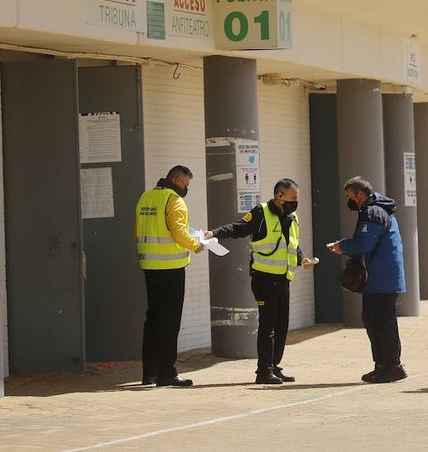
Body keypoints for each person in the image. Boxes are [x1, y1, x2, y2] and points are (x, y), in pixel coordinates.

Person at [204, 178, 315, 385]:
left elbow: (292, 245)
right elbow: (238, 228)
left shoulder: (292, 217)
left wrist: (302, 260)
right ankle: (264, 370)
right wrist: (214, 233)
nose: (295, 202)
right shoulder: (261, 212)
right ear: (279, 196)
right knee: (267, 326)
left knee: (281, 326)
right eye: (293, 198)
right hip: (264, 279)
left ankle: (274, 365)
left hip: (284, 278)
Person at [326, 176, 407, 383]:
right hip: (380, 277)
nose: (349, 201)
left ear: (360, 194)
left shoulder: (373, 212)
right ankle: (382, 365)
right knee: (372, 319)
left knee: (381, 322)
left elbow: (364, 243)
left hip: (382, 277)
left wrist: (342, 246)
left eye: (350, 196)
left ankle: (392, 365)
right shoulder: (375, 210)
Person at [134, 165, 203, 387]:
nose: (186, 188)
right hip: (171, 267)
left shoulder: (145, 197)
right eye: (186, 183)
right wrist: (196, 244)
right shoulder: (174, 200)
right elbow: (179, 232)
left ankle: (149, 373)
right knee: (170, 322)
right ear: (177, 180)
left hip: (149, 265)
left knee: (153, 319)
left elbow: (137, 228)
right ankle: (167, 373)